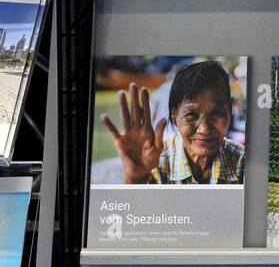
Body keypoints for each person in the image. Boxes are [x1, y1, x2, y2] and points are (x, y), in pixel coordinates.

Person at [102, 60, 243, 184]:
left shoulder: (244, 163)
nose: (204, 129)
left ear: (230, 110)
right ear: (173, 115)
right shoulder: (153, 162)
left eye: (217, 114)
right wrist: (135, 178)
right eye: (191, 115)